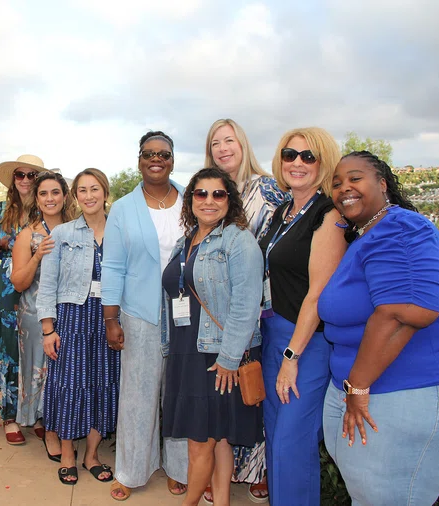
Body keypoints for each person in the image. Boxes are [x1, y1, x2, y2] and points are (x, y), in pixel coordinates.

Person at [320, 151, 439, 506]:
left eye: (355, 178)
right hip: (374, 394)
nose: (345, 187)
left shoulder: (401, 227)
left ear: (383, 184)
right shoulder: (368, 235)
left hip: (414, 389)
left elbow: (406, 311)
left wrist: (358, 386)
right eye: (337, 183)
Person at [162, 167, 264, 506]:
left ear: (230, 200)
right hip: (186, 350)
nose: (208, 200)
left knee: (200, 442)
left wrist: (229, 358)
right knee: (218, 439)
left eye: (218, 194)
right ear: (190, 199)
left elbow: (246, 306)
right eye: (201, 193)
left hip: (214, 356)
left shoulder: (238, 240)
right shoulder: (187, 240)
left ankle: (188, 502)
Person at [257, 127, 346, 505]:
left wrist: (292, 357)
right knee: (277, 439)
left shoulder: (328, 215)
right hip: (273, 333)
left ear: (323, 163)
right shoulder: (282, 211)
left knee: (293, 444)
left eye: (308, 156)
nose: (297, 162)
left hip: (305, 344)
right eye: (290, 154)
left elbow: (317, 295)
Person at [204, 118, 289, 502]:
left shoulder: (265, 188)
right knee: (230, 391)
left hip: (260, 304)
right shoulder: (215, 191)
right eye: (216, 142)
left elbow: (277, 244)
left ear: (243, 144)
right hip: (222, 307)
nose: (223, 148)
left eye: (230, 140)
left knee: (258, 386)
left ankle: (261, 468)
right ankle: (230, 469)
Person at [102, 131, 189, 501]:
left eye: (164, 153)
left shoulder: (192, 198)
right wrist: (110, 319)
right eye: (149, 153)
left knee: (181, 394)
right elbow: (113, 266)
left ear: (172, 159)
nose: (157, 159)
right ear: (139, 159)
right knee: (138, 396)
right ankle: (132, 471)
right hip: (139, 313)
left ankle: (179, 467)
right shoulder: (123, 207)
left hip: (188, 314)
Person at [36, 168, 120, 485]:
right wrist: (48, 329)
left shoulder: (120, 233)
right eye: (82, 190)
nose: (88, 195)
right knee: (69, 387)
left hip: (109, 319)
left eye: (94, 188)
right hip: (71, 318)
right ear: (75, 196)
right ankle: (68, 454)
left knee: (103, 385)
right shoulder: (62, 235)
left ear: (105, 192)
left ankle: (92, 456)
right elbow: (47, 286)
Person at [11, 171, 76, 461]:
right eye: (43, 194)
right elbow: (18, 282)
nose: (50, 199)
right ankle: (47, 428)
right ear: (36, 199)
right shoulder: (28, 234)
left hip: (71, 314)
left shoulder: (77, 229)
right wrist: (38, 255)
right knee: (38, 372)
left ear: (65, 196)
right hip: (35, 314)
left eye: (55, 193)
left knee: (65, 374)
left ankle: (62, 423)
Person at [0, 154, 47, 445]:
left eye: (30, 175)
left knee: (37, 346)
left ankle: (34, 412)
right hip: (9, 284)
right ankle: (9, 415)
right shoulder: (2, 208)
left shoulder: (46, 207)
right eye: (19, 175)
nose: (24, 180)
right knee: (8, 345)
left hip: (38, 280)